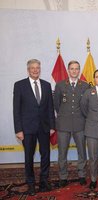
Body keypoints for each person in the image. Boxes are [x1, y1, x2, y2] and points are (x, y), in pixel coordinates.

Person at [13, 59, 55, 195]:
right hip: (27, 129)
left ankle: (44, 181)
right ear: (28, 70)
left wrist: (52, 126)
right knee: (28, 157)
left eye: (38, 67)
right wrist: (18, 129)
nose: (35, 70)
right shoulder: (20, 85)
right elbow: (16, 109)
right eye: (33, 68)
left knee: (46, 155)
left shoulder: (47, 85)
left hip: (44, 127)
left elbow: (50, 107)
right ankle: (30, 184)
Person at [53, 60, 89, 187]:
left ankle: (82, 175)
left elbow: (86, 105)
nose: (74, 71)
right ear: (68, 70)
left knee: (82, 152)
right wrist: (64, 114)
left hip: (80, 123)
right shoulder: (60, 85)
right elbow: (56, 104)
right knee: (62, 152)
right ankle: (63, 176)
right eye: (72, 69)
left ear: (79, 71)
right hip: (64, 124)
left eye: (76, 69)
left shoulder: (85, 86)